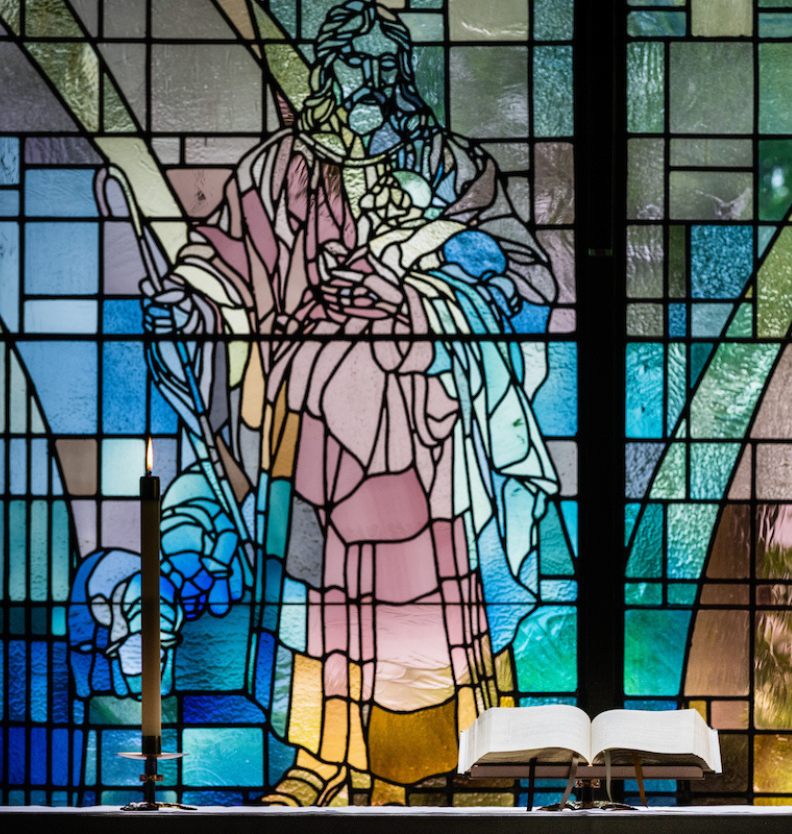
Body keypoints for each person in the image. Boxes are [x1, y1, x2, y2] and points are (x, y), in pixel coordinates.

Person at [133, 0, 559, 805]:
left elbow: (520, 276)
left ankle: (460, 762)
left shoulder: (451, 167)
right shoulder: (279, 171)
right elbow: (222, 261)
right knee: (320, 598)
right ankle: (327, 764)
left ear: (403, 74)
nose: (365, 82)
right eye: (348, 65)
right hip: (320, 430)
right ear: (325, 74)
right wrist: (188, 308)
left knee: (431, 600)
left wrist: (419, 294)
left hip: (426, 430)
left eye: (380, 64)